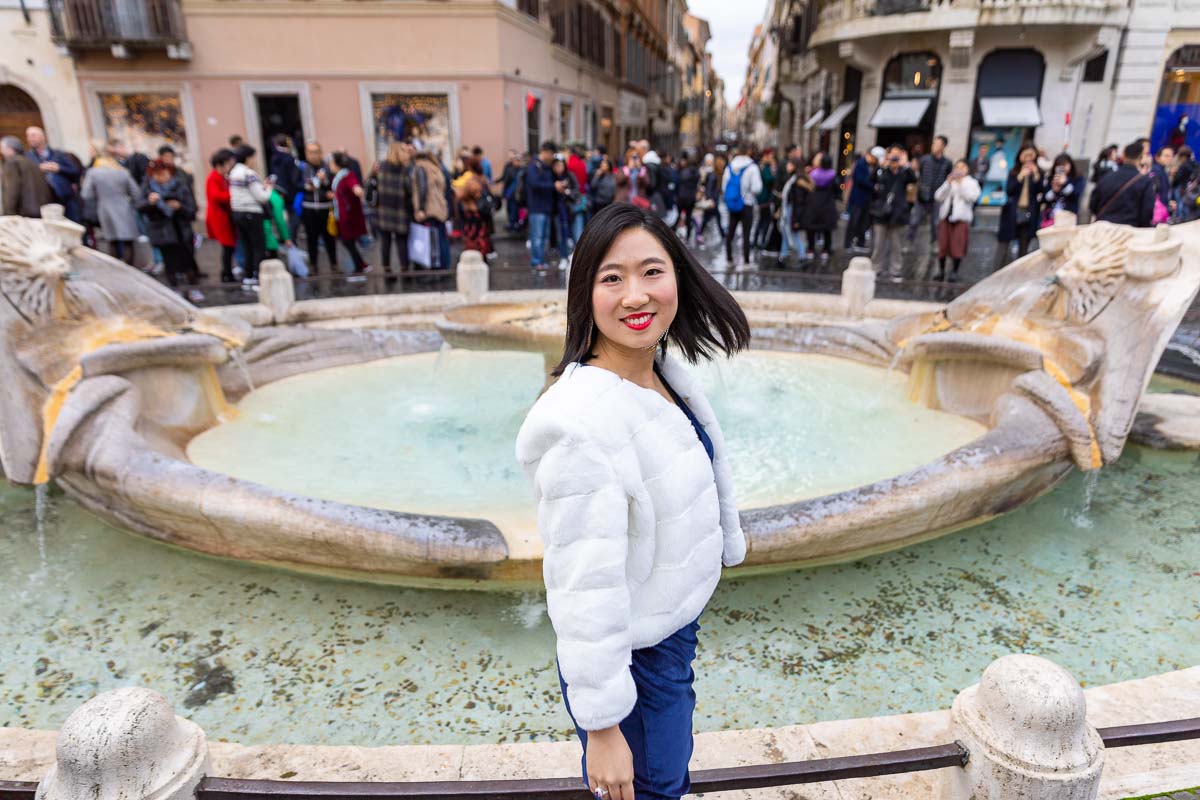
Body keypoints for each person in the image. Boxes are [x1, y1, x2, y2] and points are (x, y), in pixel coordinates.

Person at [514, 202, 751, 800]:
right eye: (611, 278)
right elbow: (581, 584)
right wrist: (602, 726)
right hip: (629, 662)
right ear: (584, 294)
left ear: (679, 275)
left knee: (666, 781)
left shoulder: (662, 370)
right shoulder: (580, 425)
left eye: (652, 271)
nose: (635, 296)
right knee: (653, 789)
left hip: (666, 637)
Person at [138, 158, 203, 302]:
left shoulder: (180, 186)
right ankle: (176, 290)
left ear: (169, 172)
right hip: (162, 232)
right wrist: (150, 203)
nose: (159, 177)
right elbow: (140, 206)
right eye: (155, 174)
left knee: (188, 262)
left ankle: (193, 288)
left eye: (162, 173)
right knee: (170, 264)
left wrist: (179, 207)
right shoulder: (148, 187)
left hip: (181, 230)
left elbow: (192, 210)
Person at [80, 142, 142, 264]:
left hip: (105, 208)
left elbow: (86, 194)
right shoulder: (122, 171)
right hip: (124, 208)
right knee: (128, 241)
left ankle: (117, 269)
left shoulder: (93, 172)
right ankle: (131, 269)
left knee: (112, 240)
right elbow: (136, 193)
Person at [227, 145, 273, 284]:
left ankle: (248, 276)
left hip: (237, 212)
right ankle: (257, 276)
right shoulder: (249, 174)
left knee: (246, 245)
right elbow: (262, 197)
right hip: (252, 213)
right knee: (258, 246)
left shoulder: (233, 172)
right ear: (248, 158)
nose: (254, 160)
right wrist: (269, 187)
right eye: (253, 157)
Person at [869, 144, 916, 281]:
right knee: (878, 244)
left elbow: (913, 179)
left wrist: (906, 164)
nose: (894, 159)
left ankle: (895, 271)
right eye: (892, 155)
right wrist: (882, 165)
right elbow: (871, 179)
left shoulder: (904, 172)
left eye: (897, 155)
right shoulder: (882, 171)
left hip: (898, 213)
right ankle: (875, 269)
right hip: (881, 213)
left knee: (896, 245)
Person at [932, 159, 981, 282]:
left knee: (957, 246)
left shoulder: (971, 183)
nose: (959, 169)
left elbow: (972, 197)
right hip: (946, 217)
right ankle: (941, 270)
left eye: (962, 167)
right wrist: (947, 183)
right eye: (957, 167)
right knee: (943, 245)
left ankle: (954, 271)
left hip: (961, 219)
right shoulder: (950, 181)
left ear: (967, 169)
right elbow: (938, 196)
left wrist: (960, 184)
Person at [1088, 141, 1156, 228]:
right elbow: (1147, 212)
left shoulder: (1107, 177)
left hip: (1104, 228)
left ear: (1123, 155)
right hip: (1128, 230)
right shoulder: (1145, 181)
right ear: (1141, 157)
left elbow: (1093, 204)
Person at [996, 144, 1042, 267]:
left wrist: (1037, 175)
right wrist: (1020, 176)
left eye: (1031, 155)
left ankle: (1019, 273)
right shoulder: (1014, 171)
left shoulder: (1037, 172)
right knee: (1004, 243)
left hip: (1029, 212)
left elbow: (1040, 191)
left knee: (1024, 245)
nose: (1028, 158)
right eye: (1025, 155)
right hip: (1012, 212)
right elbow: (1009, 190)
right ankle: (998, 270)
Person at [25, 126, 82, 222]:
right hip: (44, 202)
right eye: (28, 135)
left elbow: (75, 171)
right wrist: (37, 169)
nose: (30, 138)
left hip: (65, 199)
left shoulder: (58, 154)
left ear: (43, 137)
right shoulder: (27, 157)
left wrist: (58, 168)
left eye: (33, 135)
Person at [374, 141, 413, 275]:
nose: (406, 153)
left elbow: (373, 186)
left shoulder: (381, 166)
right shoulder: (405, 169)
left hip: (384, 210)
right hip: (400, 209)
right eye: (403, 150)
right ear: (397, 152)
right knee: (401, 240)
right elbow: (410, 191)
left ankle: (387, 268)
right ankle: (404, 268)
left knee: (386, 241)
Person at [721, 144, 763, 268]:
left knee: (730, 232)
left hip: (733, 204)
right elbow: (757, 188)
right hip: (747, 204)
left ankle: (729, 259)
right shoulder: (752, 167)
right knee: (746, 233)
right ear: (748, 152)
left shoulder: (730, 167)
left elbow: (724, 187)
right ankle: (746, 262)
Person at [330, 151, 371, 274]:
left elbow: (354, 186)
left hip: (347, 216)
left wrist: (358, 190)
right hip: (342, 214)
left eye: (331, 163)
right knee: (348, 241)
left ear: (337, 165)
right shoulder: (338, 177)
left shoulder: (347, 176)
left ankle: (361, 266)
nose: (330, 166)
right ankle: (360, 265)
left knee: (348, 241)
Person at [411, 149, 451, 269]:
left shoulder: (420, 168)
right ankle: (445, 266)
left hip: (429, 209)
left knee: (432, 241)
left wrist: (421, 209)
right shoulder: (435, 168)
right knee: (441, 239)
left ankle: (435, 269)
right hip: (439, 208)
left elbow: (422, 189)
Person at [910, 134, 952, 246]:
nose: (934, 146)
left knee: (936, 223)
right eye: (933, 143)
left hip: (937, 198)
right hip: (922, 196)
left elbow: (948, 180)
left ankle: (934, 242)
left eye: (937, 144)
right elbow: (918, 175)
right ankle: (909, 241)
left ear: (943, 146)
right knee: (914, 220)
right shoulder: (924, 159)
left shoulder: (947, 163)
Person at [204, 148, 238, 283]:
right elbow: (216, 196)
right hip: (219, 217)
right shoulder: (213, 178)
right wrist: (234, 194)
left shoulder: (221, 178)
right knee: (227, 246)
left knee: (229, 246)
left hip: (224, 216)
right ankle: (227, 274)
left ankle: (227, 272)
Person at [524, 141, 558, 270]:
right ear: (545, 152)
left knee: (543, 237)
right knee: (537, 237)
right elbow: (534, 183)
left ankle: (540, 261)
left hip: (546, 207)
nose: (552, 157)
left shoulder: (546, 166)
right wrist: (553, 186)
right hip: (536, 207)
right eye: (552, 154)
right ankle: (536, 261)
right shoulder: (533, 166)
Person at [1, 135, 53, 217]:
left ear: (10, 149)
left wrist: (8, 214)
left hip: (24, 213)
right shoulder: (31, 162)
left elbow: (12, 190)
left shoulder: (12, 163)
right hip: (41, 210)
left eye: (2, 148)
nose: (2, 151)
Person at [800, 153, 838, 263]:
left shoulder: (812, 174)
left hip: (813, 203)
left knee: (811, 228)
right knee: (827, 229)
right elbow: (837, 191)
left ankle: (811, 249)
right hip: (828, 204)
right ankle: (826, 250)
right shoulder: (833, 175)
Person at [844, 146, 879, 251]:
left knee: (864, 222)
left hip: (866, 199)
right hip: (858, 198)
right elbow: (859, 179)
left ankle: (860, 242)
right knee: (854, 221)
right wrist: (873, 187)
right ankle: (848, 243)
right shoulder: (860, 164)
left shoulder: (873, 166)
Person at [1040, 153, 1085, 225]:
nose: (1062, 168)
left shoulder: (1078, 178)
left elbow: (1076, 195)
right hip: (1051, 217)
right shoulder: (1051, 178)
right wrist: (1054, 191)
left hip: (1068, 217)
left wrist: (1065, 183)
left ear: (1070, 165)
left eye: (1064, 165)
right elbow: (1044, 199)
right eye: (1059, 165)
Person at [784, 157, 814, 265]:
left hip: (792, 210)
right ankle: (783, 255)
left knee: (793, 233)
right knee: (786, 232)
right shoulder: (794, 179)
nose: (787, 166)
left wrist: (796, 219)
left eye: (789, 164)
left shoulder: (797, 181)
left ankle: (802, 256)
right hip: (790, 209)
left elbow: (798, 202)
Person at [696, 153, 725, 245]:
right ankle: (700, 233)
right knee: (711, 217)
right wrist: (711, 199)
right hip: (712, 200)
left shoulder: (713, 174)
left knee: (712, 217)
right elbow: (709, 187)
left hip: (712, 199)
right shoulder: (712, 174)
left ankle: (700, 232)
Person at [751, 148, 775, 250]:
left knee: (762, 220)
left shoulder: (764, 166)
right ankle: (761, 241)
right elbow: (768, 179)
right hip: (764, 197)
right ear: (766, 156)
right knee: (765, 220)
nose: (772, 158)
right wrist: (774, 173)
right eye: (771, 156)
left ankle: (757, 240)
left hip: (764, 196)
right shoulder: (763, 166)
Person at [674, 154, 699, 242]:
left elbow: (678, 183)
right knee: (688, 217)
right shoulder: (696, 173)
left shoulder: (684, 172)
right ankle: (687, 237)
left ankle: (672, 232)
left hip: (682, 197)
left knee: (677, 216)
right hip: (691, 198)